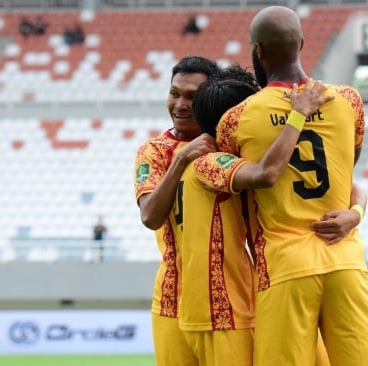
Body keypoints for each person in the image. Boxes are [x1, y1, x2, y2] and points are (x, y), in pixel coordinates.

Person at [214, 6, 368, 365]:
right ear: (302, 44)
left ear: (257, 51)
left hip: (284, 264)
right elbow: (345, 171)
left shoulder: (236, 118)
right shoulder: (349, 101)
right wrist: (355, 213)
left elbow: (239, 181)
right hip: (344, 258)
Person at [175, 70, 332, 366]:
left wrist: (355, 212)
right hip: (224, 307)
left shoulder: (217, 160)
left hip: (260, 293)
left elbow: (351, 187)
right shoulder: (210, 162)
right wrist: (296, 116)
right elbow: (266, 174)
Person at [133, 55, 219, 366]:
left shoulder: (230, 147)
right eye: (174, 93)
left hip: (227, 294)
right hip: (172, 296)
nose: (180, 104)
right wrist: (182, 159)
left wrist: (355, 212)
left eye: (192, 97)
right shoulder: (153, 152)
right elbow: (150, 216)